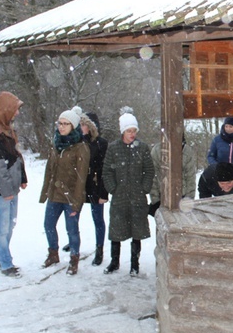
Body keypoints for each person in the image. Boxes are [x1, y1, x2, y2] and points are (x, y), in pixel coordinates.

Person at [101, 109, 154, 276]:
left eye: (134, 131)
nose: (132, 134)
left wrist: (144, 188)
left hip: (138, 197)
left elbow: (149, 170)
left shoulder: (143, 148)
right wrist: (113, 188)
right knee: (116, 231)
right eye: (129, 130)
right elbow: (107, 171)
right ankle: (114, 261)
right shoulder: (113, 148)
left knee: (136, 232)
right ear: (123, 131)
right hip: (119, 197)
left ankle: (134, 263)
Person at [40, 107, 90, 276]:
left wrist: (76, 203)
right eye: (59, 123)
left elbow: (81, 178)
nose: (61, 127)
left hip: (71, 196)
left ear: (73, 126)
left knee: (72, 229)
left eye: (65, 124)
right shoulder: (56, 144)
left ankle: (74, 259)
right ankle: (53, 254)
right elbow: (49, 170)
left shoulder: (80, 148)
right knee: (48, 225)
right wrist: (45, 191)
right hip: (55, 195)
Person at [0, 91, 27, 278]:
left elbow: (16, 156)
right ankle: (4, 262)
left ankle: (0, 256)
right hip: (1, 190)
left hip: (11, 188)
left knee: (10, 225)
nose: (17, 113)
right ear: (6, 110)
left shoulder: (8, 129)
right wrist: (6, 190)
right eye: (15, 109)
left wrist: (23, 177)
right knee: (2, 227)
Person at [63, 112, 109, 266]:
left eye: (84, 124)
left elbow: (104, 169)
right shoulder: (75, 142)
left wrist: (103, 192)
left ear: (90, 127)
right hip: (79, 187)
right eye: (80, 124)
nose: (81, 127)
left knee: (98, 220)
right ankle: (73, 245)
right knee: (73, 217)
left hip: (95, 186)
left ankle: (99, 249)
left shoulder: (101, 143)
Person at [149, 134, 197, 215]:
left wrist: (189, 199)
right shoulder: (157, 151)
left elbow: (190, 178)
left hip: (182, 196)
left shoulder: (187, 152)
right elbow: (153, 177)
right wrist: (155, 200)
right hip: (163, 197)